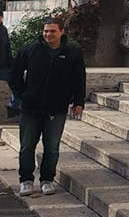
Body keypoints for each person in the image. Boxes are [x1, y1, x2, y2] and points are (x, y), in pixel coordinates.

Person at [11, 17, 85, 196]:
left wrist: (78, 102)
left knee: (51, 148)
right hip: (31, 108)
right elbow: (15, 73)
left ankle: (47, 180)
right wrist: (22, 94)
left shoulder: (72, 53)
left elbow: (79, 79)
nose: (48, 34)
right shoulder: (31, 50)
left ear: (61, 32)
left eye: (52, 31)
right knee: (27, 146)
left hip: (56, 108)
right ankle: (26, 180)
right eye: (46, 31)